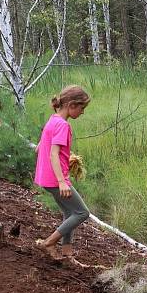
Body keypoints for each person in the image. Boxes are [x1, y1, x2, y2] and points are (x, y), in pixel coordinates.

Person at [34, 86, 91, 262]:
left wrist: (68, 157)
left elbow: (40, 148)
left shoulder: (53, 120)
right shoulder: (63, 125)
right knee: (82, 213)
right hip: (55, 179)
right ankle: (49, 243)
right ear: (72, 105)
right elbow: (53, 153)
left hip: (46, 177)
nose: (82, 113)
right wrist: (62, 181)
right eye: (82, 108)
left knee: (69, 212)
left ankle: (67, 252)